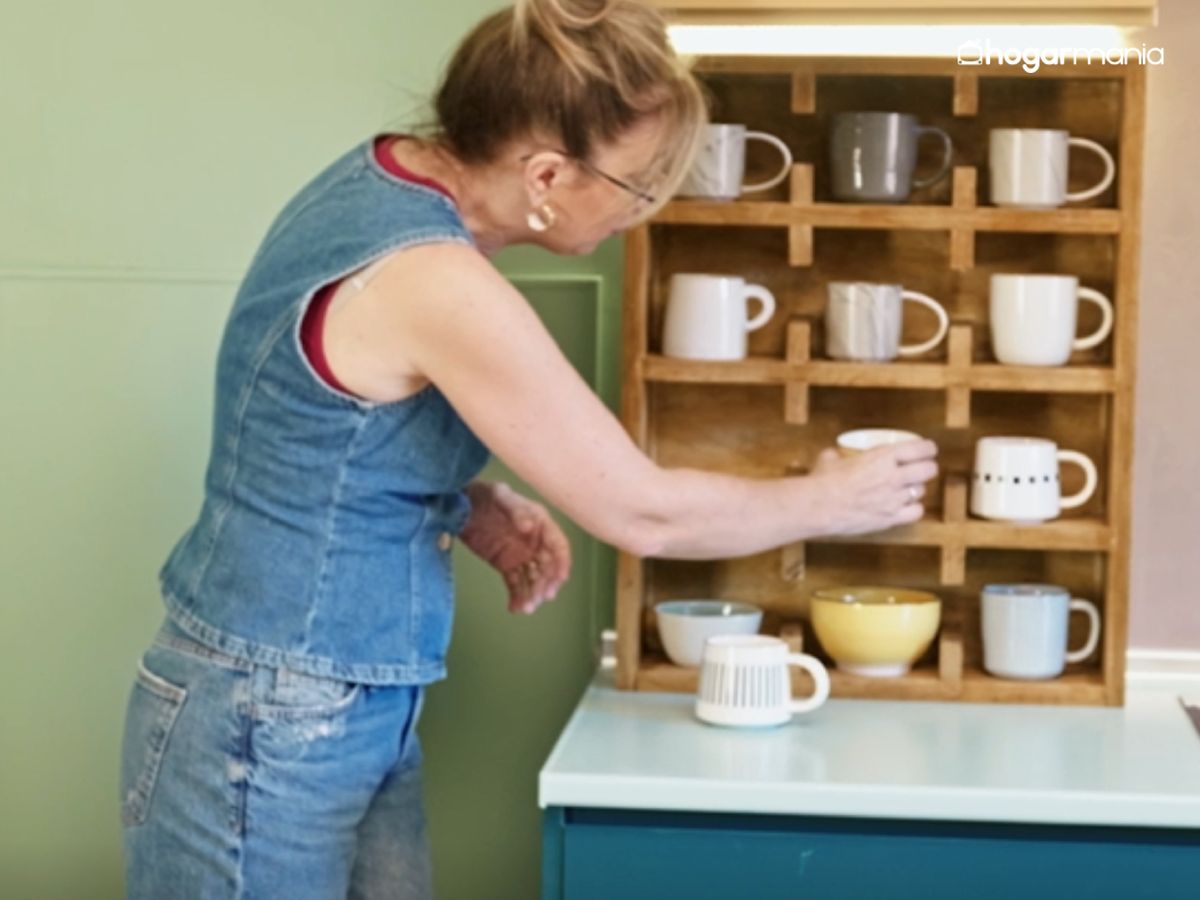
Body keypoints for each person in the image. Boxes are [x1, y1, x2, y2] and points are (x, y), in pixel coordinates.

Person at [118, 0, 939, 897]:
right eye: (634, 185)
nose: (640, 213)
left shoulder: (383, 177)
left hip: (319, 700)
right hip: (271, 714)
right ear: (547, 173)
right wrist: (829, 500)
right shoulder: (432, 275)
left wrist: (459, 499)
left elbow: (310, 407)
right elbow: (641, 510)